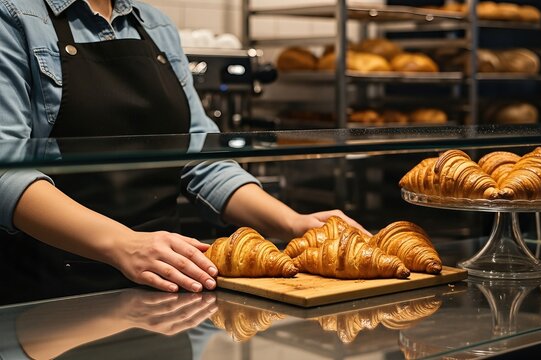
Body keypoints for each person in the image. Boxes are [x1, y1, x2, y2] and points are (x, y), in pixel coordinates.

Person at [0, 0, 367, 303]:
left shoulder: (156, 26)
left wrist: (292, 223)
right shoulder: (16, 17)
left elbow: (201, 158)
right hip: (54, 295)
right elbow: (6, 171)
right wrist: (124, 245)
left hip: (169, 288)